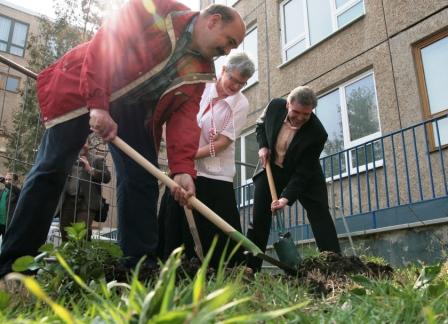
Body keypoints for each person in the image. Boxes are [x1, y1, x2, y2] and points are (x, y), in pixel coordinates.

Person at [0, 0, 246, 278]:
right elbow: (107, 42)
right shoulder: (158, 9)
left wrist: (183, 170)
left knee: (140, 179)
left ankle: (138, 270)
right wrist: (98, 104)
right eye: (229, 42)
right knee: (51, 169)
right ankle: (12, 267)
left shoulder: (201, 70)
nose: (226, 51)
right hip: (88, 85)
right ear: (213, 21)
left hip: (135, 109)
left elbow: (184, 118)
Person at [160, 52, 255, 268]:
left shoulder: (241, 103)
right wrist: (183, 158)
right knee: (173, 217)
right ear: (223, 71)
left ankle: (227, 270)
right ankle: (173, 266)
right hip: (186, 168)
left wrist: (187, 154)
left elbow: (222, 143)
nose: (235, 86)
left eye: (241, 83)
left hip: (216, 174)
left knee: (217, 228)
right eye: (233, 79)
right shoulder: (202, 87)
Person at [246, 86, 341, 272]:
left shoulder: (317, 133)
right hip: (273, 168)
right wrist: (263, 146)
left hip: (304, 173)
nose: (299, 118)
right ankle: (250, 268)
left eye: (305, 115)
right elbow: (260, 126)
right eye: (295, 112)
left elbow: (303, 172)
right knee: (259, 219)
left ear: (311, 111)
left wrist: (285, 198)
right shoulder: (274, 106)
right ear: (288, 104)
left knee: (319, 213)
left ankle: (334, 265)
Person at [58, 140, 111, 241]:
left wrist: (90, 169)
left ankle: (83, 255)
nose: (81, 145)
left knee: (82, 235)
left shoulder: (97, 160)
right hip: (68, 202)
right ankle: (66, 256)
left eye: (84, 142)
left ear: (89, 145)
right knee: (65, 233)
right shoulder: (68, 158)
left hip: (87, 202)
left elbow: (107, 177)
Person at [0, 173, 21, 237]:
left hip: (9, 225)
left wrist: (4, 182)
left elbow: (15, 190)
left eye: (9, 179)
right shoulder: (2, 191)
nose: (7, 181)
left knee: (5, 245)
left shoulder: (18, 192)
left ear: (16, 181)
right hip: (0, 222)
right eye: (6, 179)